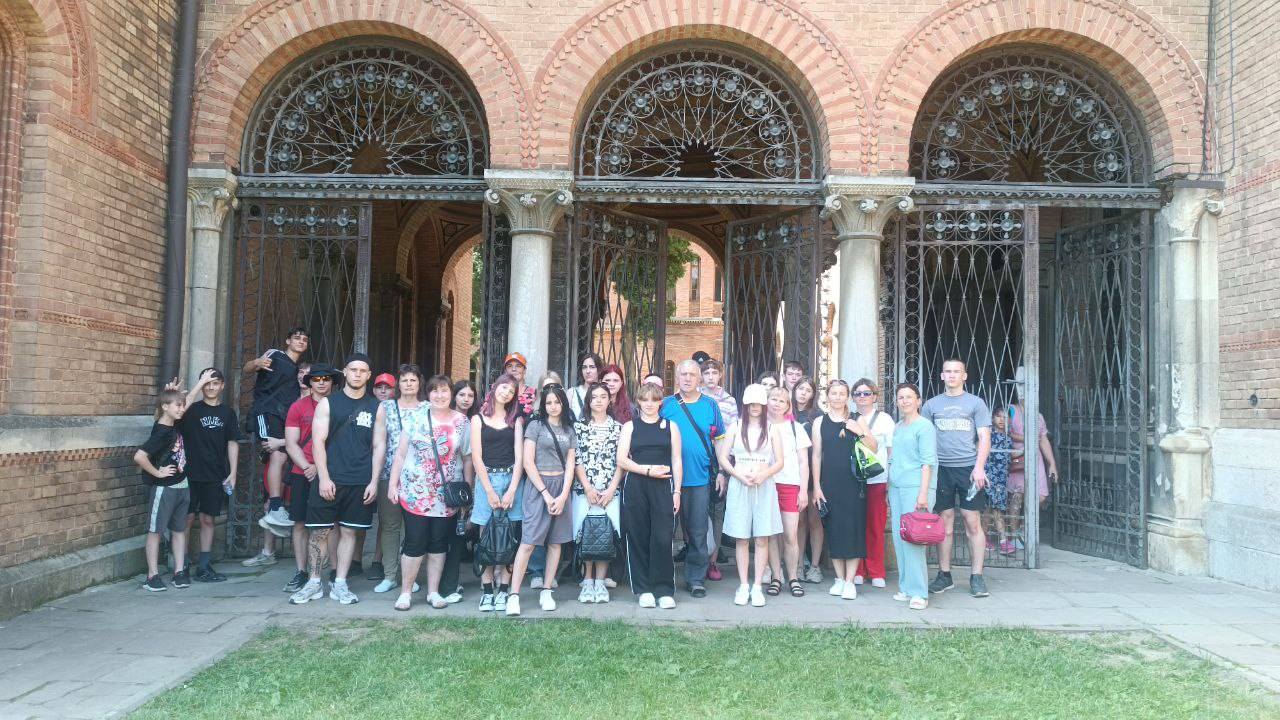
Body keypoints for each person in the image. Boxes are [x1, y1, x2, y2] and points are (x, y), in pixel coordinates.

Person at [289, 353, 387, 606]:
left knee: (349, 531)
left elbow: (379, 445)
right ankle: (314, 582)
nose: (357, 374)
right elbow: (318, 442)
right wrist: (323, 477)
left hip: (359, 480)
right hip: (330, 478)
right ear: (345, 372)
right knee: (319, 532)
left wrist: (374, 481)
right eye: (353, 369)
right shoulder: (328, 403)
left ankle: (340, 583)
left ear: (368, 375)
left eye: (362, 370)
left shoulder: (377, 407)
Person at [386, 374, 471, 611]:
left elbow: (467, 457)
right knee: (415, 541)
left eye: (444, 391)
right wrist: (392, 484)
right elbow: (400, 454)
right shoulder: (415, 418)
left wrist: (467, 489)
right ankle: (405, 592)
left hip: (446, 495)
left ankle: (433, 592)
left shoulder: (462, 422)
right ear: (428, 394)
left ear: (451, 394)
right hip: (416, 492)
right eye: (435, 391)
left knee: (438, 543)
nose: (440, 395)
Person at [922, 358, 993, 598]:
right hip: (941, 469)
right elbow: (924, 438)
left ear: (964, 376)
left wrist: (979, 467)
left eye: (956, 371)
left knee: (972, 522)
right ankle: (945, 575)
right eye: (948, 371)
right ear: (942, 376)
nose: (952, 375)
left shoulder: (976, 403)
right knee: (944, 522)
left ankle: (977, 576)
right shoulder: (931, 405)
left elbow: (984, 437)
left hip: (968, 469)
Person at [507, 385, 577, 615]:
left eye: (557, 402)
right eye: (548, 402)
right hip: (538, 488)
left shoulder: (569, 429)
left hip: (561, 487)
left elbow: (570, 464)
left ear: (563, 403)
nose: (553, 406)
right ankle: (514, 595)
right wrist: (546, 494)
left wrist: (563, 494)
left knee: (556, 543)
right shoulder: (535, 426)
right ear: (543, 405)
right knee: (528, 542)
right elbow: (528, 462)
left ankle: (547, 590)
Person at [661, 359, 725, 597]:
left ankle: (696, 579)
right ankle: (663, 577)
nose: (687, 378)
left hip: (699, 479)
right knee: (665, 531)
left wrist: (722, 472)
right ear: (677, 378)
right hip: (667, 480)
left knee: (698, 532)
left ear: (699, 379)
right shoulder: (666, 405)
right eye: (683, 374)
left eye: (692, 374)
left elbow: (720, 440)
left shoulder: (710, 405)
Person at [716, 384, 784, 607]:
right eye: (751, 404)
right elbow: (724, 457)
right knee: (742, 537)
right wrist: (737, 475)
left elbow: (780, 462)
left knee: (762, 537)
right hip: (740, 484)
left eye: (759, 404)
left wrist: (763, 475)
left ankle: (757, 586)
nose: (755, 407)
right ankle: (744, 584)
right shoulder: (735, 426)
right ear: (745, 405)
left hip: (764, 486)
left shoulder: (772, 429)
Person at [618, 382, 683, 609]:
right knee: (638, 536)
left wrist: (677, 491)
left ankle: (663, 589)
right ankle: (643, 589)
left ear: (660, 403)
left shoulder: (671, 426)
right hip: (636, 484)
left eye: (654, 400)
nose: (649, 404)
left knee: (662, 538)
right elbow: (621, 460)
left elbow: (676, 460)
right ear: (638, 402)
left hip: (663, 485)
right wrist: (646, 470)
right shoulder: (630, 427)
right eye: (645, 399)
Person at [810, 379, 876, 600]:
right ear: (827, 396)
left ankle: (850, 581)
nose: (837, 397)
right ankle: (839, 578)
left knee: (853, 529)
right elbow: (816, 456)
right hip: (829, 483)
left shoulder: (857, 419)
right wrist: (816, 486)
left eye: (841, 393)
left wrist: (859, 432)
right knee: (834, 530)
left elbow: (874, 447)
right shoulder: (819, 422)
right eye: (834, 393)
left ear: (847, 397)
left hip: (854, 484)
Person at [178, 369, 242, 583]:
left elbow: (232, 442)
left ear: (222, 385)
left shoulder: (227, 413)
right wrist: (198, 385)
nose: (211, 387)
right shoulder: (191, 409)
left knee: (208, 519)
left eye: (215, 383)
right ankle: (181, 565)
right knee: (186, 519)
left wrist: (233, 472)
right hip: (188, 473)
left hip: (214, 473)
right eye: (207, 383)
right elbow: (179, 409)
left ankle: (204, 566)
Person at [280, 363, 338, 594]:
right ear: (309, 382)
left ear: (332, 381)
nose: (321, 383)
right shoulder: (298, 406)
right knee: (300, 522)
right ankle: (301, 571)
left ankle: (334, 571)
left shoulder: (339, 404)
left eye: (326, 378)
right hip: (302, 472)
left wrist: (321, 468)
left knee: (333, 523)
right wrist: (307, 466)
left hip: (331, 472)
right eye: (316, 379)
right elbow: (291, 443)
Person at [244, 327, 309, 531]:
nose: (301, 341)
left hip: (282, 417)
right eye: (296, 338)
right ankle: (274, 506)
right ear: (288, 341)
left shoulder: (296, 370)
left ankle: (274, 508)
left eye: (304, 339)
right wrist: (256, 362)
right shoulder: (276, 355)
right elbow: (247, 367)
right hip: (266, 411)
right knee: (278, 456)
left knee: (281, 456)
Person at [470, 373, 525, 613]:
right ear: (494, 387)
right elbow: (476, 457)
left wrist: (512, 489)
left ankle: (504, 589)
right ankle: (486, 591)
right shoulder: (478, 419)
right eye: (504, 388)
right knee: (486, 538)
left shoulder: (516, 420)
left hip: (511, 478)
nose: (506, 393)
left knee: (509, 537)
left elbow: (520, 457)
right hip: (487, 480)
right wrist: (489, 491)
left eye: (511, 391)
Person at [371, 366, 426, 594]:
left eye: (413, 380)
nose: (409, 384)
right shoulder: (386, 407)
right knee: (390, 526)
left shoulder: (427, 408)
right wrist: (374, 478)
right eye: (404, 380)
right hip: (388, 474)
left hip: (419, 477)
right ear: (398, 384)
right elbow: (379, 443)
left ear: (419, 383)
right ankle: (390, 575)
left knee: (415, 529)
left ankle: (410, 577)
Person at [135, 389, 190, 591]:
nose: (182, 409)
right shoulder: (161, 431)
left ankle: (179, 572)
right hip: (165, 489)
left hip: (182, 486)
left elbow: (188, 400)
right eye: (178, 405)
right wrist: (158, 473)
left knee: (179, 530)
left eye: (182, 405)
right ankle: (152, 576)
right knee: (156, 531)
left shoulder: (174, 425)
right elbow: (139, 457)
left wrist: (200, 383)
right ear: (165, 407)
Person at [573, 382, 623, 603]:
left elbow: (621, 461)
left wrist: (611, 489)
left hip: (610, 492)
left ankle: (600, 582)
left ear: (610, 400)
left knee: (605, 535)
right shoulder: (578, 427)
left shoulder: (618, 428)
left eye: (603, 396)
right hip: (585, 491)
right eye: (594, 397)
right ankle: (587, 581)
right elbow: (576, 459)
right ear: (588, 401)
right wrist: (587, 487)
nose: (599, 400)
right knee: (586, 534)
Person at [888, 383, 936, 610]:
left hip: (916, 488)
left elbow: (928, 462)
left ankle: (919, 592)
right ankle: (906, 587)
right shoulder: (898, 427)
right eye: (901, 397)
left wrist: (923, 494)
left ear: (918, 401)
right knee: (900, 538)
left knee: (914, 541)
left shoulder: (924, 426)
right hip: (896, 487)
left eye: (909, 397)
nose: (904, 401)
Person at [764, 385, 810, 597]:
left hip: (790, 485)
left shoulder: (795, 428)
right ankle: (776, 577)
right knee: (772, 535)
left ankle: (792, 577)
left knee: (790, 535)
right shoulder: (760, 426)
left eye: (782, 400)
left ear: (787, 405)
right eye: (773, 399)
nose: (777, 403)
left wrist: (803, 490)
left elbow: (803, 462)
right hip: (766, 484)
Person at [851, 379, 896, 589]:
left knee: (876, 526)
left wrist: (890, 480)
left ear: (875, 397)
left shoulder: (884, 420)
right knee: (856, 526)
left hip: (877, 479)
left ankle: (876, 570)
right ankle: (858, 570)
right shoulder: (849, 417)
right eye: (858, 393)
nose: (862, 397)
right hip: (854, 480)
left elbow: (891, 452)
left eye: (867, 393)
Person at [438, 380, 480, 603]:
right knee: (438, 536)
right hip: (436, 483)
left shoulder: (473, 420)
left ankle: (450, 582)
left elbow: (469, 458)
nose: (466, 399)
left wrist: (468, 487)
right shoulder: (441, 417)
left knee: (457, 534)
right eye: (462, 394)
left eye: (470, 395)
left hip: (459, 484)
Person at [1006, 397, 1059, 552]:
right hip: (1017, 457)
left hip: (1036, 459)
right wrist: (1028, 438)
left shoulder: (1038, 416)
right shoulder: (1011, 410)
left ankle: (1024, 528)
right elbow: (1004, 430)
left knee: (1040, 496)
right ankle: (1014, 536)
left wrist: (1052, 464)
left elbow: (1043, 440)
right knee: (1017, 496)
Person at [791, 376, 823, 583]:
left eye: (808, 390)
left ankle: (815, 566)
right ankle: (799, 564)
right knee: (799, 521)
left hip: (814, 473)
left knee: (814, 520)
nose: (803, 393)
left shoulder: (818, 416)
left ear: (813, 394)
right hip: (792, 473)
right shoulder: (786, 412)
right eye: (800, 389)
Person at [985, 408, 1014, 555]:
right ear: (992, 418)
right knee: (991, 508)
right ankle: (1003, 541)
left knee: (992, 509)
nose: (1002, 420)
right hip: (989, 477)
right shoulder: (988, 435)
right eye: (998, 416)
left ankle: (984, 537)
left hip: (1001, 479)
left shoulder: (1009, 438)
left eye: (1005, 417)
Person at [700, 359, 739, 427]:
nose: (710, 377)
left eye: (714, 373)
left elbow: (733, 428)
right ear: (701, 375)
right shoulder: (693, 396)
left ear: (720, 375)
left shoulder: (730, 400)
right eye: (706, 373)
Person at [569, 352, 604, 419]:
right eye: (584, 367)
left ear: (599, 369)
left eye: (592, 367)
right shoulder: (572, 393)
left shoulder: (604, 393)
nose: (587, 371)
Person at [504, 352, 538, 420]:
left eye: (518, 366)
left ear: (524, 370)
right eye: (510, 366)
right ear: (505, 371)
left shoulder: (535, 394)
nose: (514, 369)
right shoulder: (498, 392)